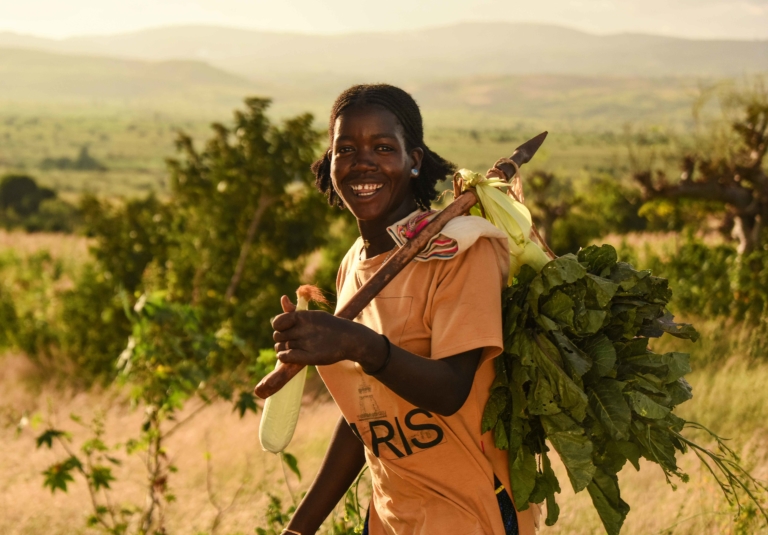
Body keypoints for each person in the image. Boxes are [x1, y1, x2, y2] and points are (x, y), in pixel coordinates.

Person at [270, 84, 538, 535]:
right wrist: (298, 530)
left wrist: (354, 342)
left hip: (471, 515)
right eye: (347, 148)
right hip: (393, 519)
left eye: (383, 147)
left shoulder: (462, 249)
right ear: (330, 163)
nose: (363, 162)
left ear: (413, 160)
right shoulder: (353, 264)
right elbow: (365, 415)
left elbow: (451, 390)